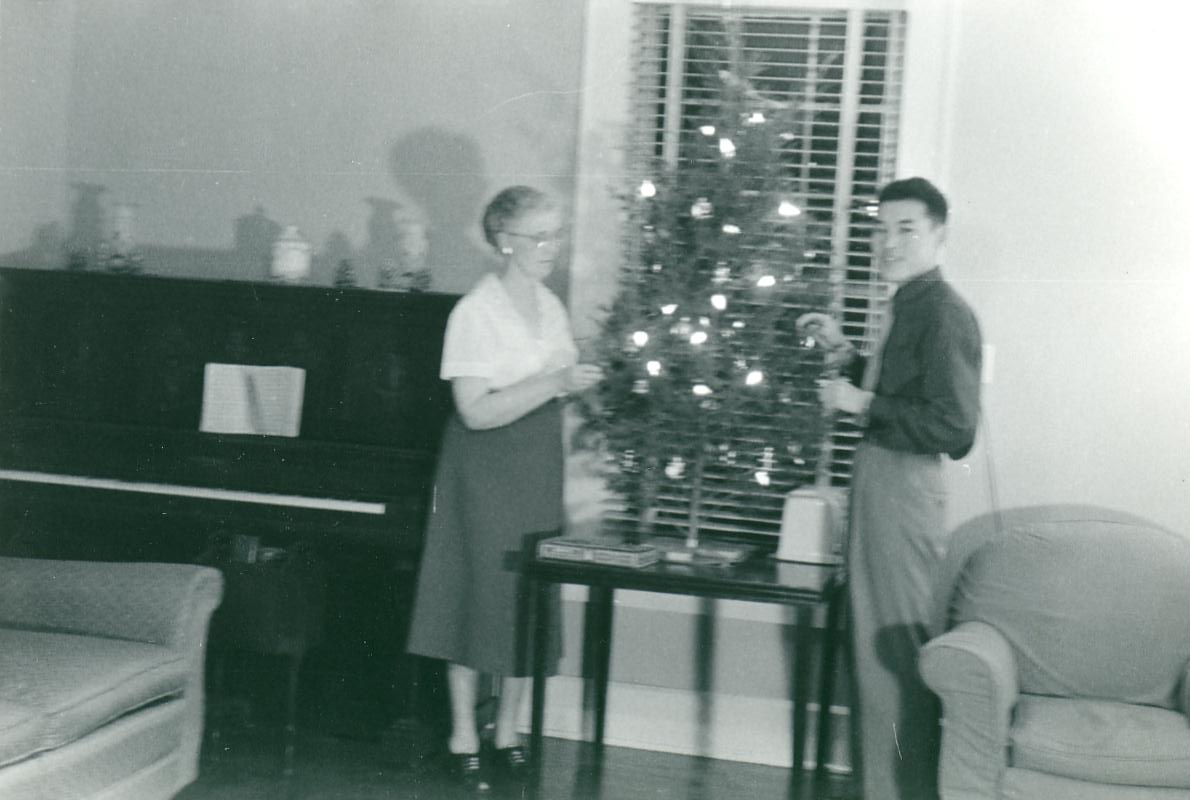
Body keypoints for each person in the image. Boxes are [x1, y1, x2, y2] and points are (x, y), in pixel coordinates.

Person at [406, 186, 603, 793]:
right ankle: (464, 734)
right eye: (539, 236)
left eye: (555, 234)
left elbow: (560, 384)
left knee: (525, 596)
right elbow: (475, 410)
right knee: (476, 591)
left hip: (536, 462)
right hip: (484, 465)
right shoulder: (475, 312)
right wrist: (556, 381)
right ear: (504, 241)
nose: (551, 247)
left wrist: (582, 383)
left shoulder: (550, 306)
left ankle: (508, 730)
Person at [797, 177, 981, 800]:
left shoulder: (944, 313)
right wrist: (846, 354)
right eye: (881, 229)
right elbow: (901, 392)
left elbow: (954, 428)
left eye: (906, 229)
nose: (889, 242)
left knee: (894, 654)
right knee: (873, 651)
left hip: (903, 489)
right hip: (880, 480)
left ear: (939, 234)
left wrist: (859, 402)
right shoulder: (909, 303)